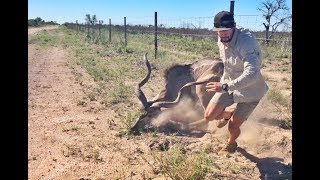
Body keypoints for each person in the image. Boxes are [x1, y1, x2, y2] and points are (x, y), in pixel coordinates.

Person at [204, 11, 269, 154]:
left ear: (234, 26)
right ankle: (228, 113)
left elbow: (252, 73)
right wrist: (226, 84)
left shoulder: (247, 43)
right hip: (229, 85)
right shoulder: (221, 38)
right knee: (209, 116)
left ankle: (232, 143)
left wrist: (226, 86)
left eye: (226, 30)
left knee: (232, 127)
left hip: (251, 91)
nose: (223, 35)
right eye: (219, 31)